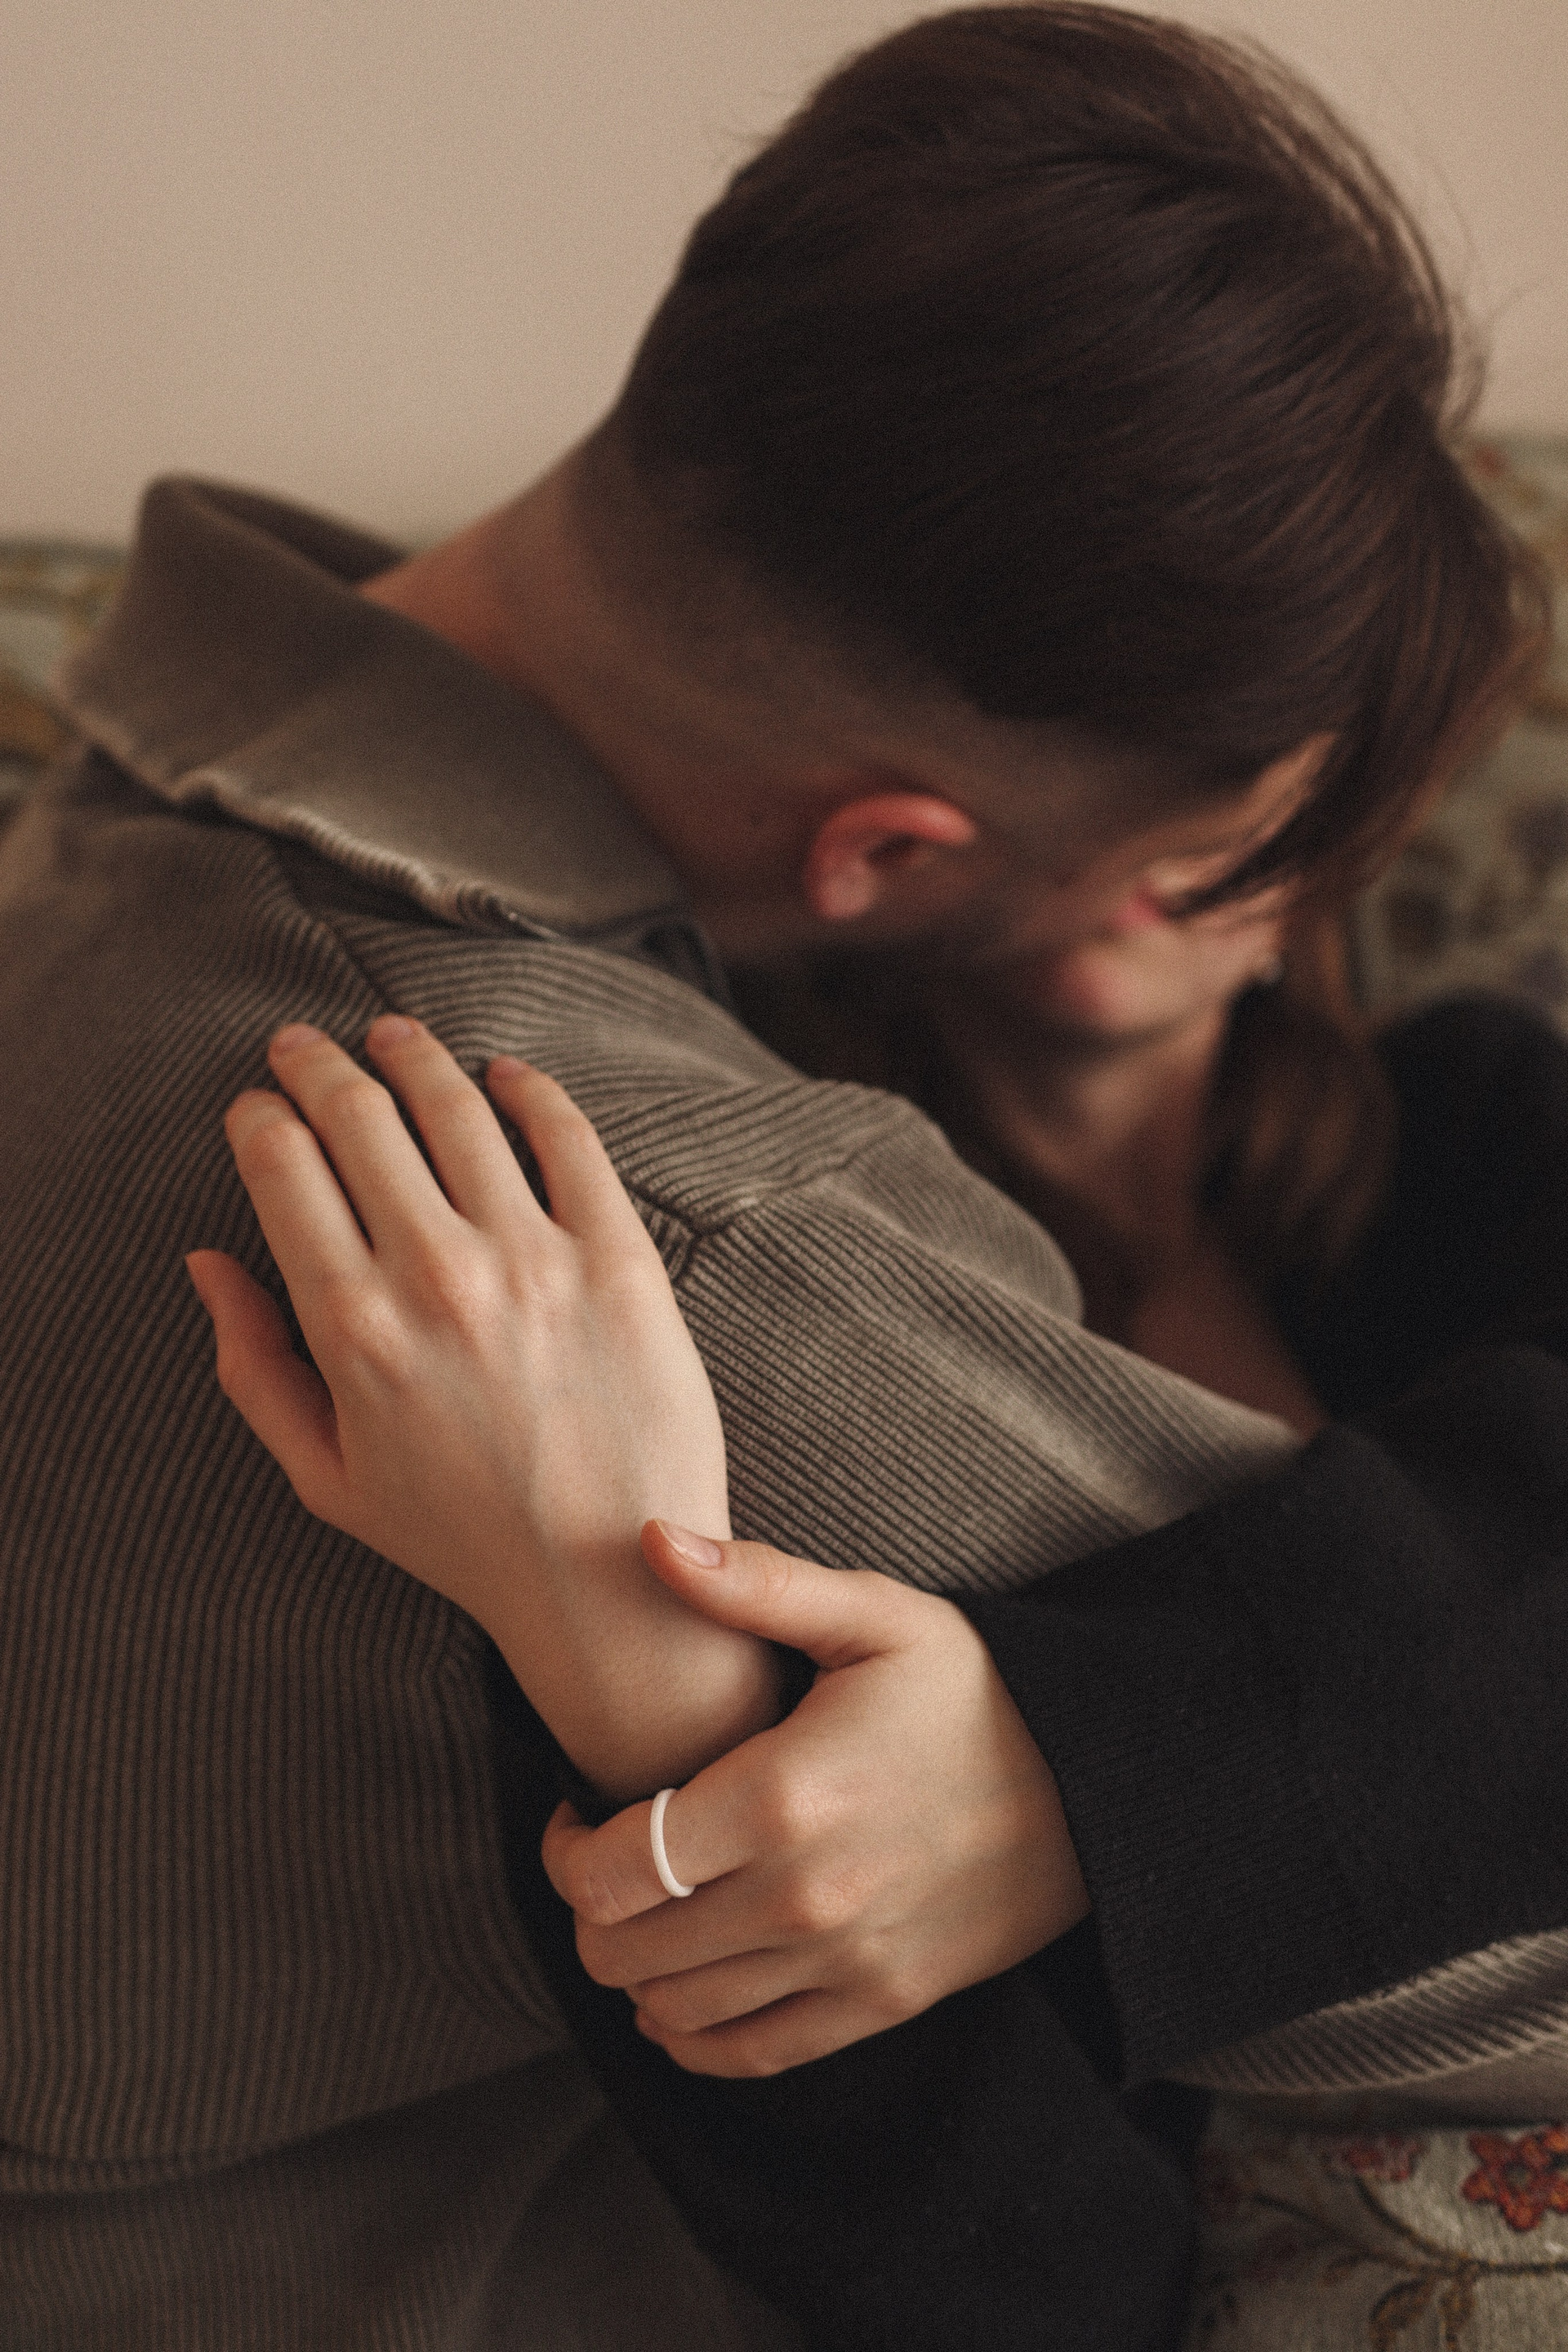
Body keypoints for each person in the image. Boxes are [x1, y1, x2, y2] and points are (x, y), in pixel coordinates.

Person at [2, 7, 1563, 2348]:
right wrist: (1143, 1764)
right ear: (888, 855)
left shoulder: (141, 779)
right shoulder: (633, 1221)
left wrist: (1068, 1751)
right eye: (1185, 867)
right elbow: (1506, 1979)